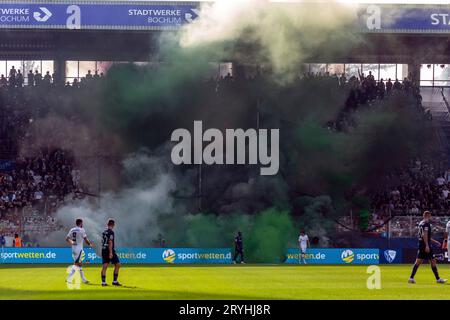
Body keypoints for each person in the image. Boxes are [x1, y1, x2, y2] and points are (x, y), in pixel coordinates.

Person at [408, 211, 447, 284]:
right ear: (428, 215)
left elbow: (425, 235)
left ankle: (411, 278)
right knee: (432, 261)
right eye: (430, 215)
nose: (430, 217)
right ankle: (438, 279)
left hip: (421, 244)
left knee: (418, 262)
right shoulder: (426, 224)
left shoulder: (420, 223)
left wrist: (435, 242)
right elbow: (424, 235)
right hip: (425, 245)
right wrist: (427, 245)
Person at [65, 218, 93, 284]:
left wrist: (71, 242)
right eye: (82, 223)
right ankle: (69, 278)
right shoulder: (82, 230)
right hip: (79, 249)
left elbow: (67, 238)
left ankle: (84, 279)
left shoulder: (72, 229)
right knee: (77, 264)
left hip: (74, 248)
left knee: (80, 264)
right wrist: (90, 244)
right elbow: (85, 239)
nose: (82, 224)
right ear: (80, 223)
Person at [101, 219, 121, 286]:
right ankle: (114, 281)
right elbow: (110, 242)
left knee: (104, 266)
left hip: (103, 249)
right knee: (118, 264)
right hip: (109, 250)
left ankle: (103, 283)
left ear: (107, 224)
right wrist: (111, 252)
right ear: (113, 225)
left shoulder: (104, 232)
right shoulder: (111, 232)